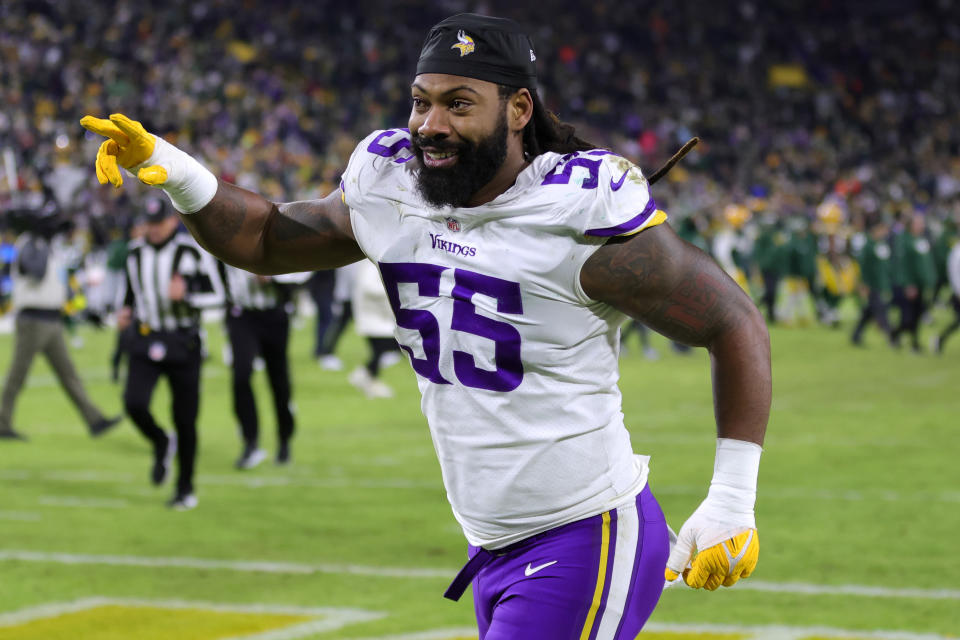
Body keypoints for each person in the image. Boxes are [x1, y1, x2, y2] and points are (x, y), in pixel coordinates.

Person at [81, 13, 771, 636]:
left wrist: (732, 501)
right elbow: (265, 239)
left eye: (458, 104)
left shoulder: (576, 215)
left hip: (584, 535)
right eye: (421, 101)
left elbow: (732, 321)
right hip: (490, 544)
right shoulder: (394, 187)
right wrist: (168, 166)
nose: (430, 124)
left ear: (519, 109)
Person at [117, 197, 224, 509]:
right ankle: (161, 441)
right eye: (148, 223)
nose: (152, 229)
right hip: (146, 337)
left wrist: (187, 296)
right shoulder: (135, 253)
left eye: (158, 222)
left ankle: (185, 487)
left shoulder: (191, 252)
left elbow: (218, 295)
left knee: (185, 420)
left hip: (183, 342)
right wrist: (124, 311)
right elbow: (130, 292)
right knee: (134, 403)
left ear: (172, 222)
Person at [0, 207, 121, 441]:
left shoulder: (47, 246)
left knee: (69, 375)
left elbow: (59, 287)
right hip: (33, 321)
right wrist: (39, 242)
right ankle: (2, 423)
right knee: (17, 375)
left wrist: (84, 313)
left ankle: (95, 420)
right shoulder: (28, 243)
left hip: (52, 321)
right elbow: (35, 271)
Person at [218, 261, 309, 467]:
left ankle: (284, 439)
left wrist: (273, 277)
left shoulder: (273, 230)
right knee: (241, 376)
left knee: (279, 381)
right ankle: (250, 442)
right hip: (241, 315)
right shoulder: (227, 234)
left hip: (274, 313)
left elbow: (302, 273)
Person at [347, 258, 401, 399]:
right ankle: (365, 377)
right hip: (373, 319)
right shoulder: (370, 265)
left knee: (382, 352)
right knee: (383, 351)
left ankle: (366, 378)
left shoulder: (377, 264)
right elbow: (369, 287)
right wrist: (393, 290)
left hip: (380, 318)